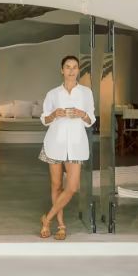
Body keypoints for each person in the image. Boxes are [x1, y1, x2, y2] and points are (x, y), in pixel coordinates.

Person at [38, 54, 95, 240]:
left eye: (74, 67)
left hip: (77, 145)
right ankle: (61, 226)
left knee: (71, 187)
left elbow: (91, 120)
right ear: (62, 70)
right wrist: (54, 114)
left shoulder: (86, 93)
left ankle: (47, 219)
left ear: (78, 70)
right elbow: (44, 120)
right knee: (56, 186)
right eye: (68, 67)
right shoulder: (53, 94)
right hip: (55, 143)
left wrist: (82, 114)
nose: (71, 70)